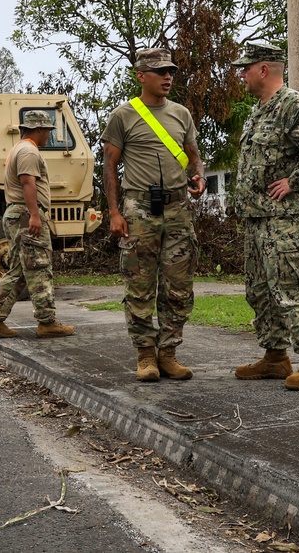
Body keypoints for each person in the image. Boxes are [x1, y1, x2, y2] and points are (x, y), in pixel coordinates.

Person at [231, 42, 299, 390]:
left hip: (284, 217)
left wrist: (294, 181)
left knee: (291, 288)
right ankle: (275, 358)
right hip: (257, 217)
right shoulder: (259, 110)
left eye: (246, 68)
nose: (241, 74)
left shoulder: (292, 104)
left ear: (264, 69)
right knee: (260, 290)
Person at [101, 49, 206, 382]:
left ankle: (169, 353)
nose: (168, 77)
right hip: (139, 209)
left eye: (171, 71)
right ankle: (145, 354)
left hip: (177, 209)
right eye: (160, 71)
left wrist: (199, 175)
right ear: (140, 76)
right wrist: (115, 212)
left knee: (179, 285)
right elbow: (109, 166)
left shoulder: (181, 114)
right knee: (140, 283)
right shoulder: (123, 116)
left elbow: (193, 155)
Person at [0, 111, 75, 339]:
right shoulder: (29, 151)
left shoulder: (20, 149)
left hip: (18, 214)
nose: (48, 137)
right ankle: (47, 322)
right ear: (39, 129)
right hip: (25, 214)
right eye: (48, 132)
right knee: (39, 267)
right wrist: (34, 214)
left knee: (20, 270)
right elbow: (27, 182)